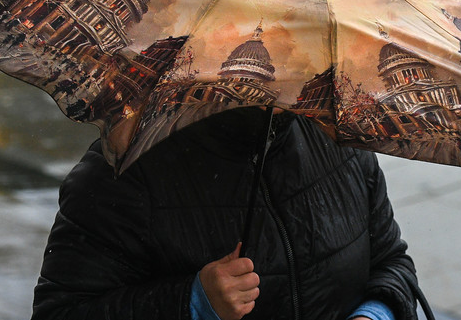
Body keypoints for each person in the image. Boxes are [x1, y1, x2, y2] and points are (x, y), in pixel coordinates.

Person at [31, 107, 420, 320]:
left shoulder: (337, 136)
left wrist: (374, 315)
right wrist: (191, 304)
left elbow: (391, 261)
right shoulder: (122, 172)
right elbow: (62, 312)